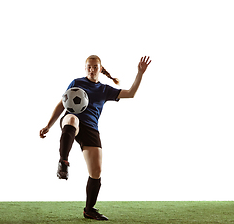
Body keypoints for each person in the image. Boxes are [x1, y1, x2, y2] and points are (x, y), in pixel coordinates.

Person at [39, 55, 151, 221]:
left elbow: (131, 93)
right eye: (89, 67)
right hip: (73, 123)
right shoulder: (76, 83)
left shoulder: (105, 89)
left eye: (95, 67)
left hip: (91, 129)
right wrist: (48, 125)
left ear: (100, 68)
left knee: (96, 172)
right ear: (85, 69)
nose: (92, 70)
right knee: (71, 118)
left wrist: (140, 73)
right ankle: (63, 162)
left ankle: (89, 209)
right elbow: (62, 104)